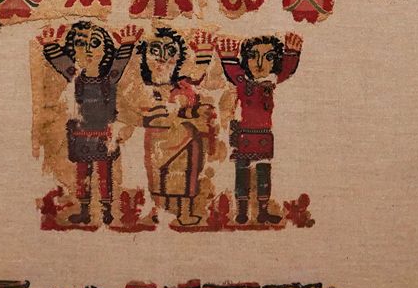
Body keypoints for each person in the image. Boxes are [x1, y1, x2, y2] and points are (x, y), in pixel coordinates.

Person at [41, 21, 133, 225]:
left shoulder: (109, 80)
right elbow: (62, 64)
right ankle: (84, 211)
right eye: (82, 43)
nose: (88, 49)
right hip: (81, 133)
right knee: (82, 173)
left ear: (106, 50)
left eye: (95, 43)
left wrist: (127, 45)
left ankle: (106, 210)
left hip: (104, 134)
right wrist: (50, 46)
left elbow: (118, 65)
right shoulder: (76, 78)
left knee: (104, 173)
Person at [218, 32, 303, 224]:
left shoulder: (270, 83)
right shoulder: (243, 84)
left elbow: (285, 72)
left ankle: (262, 211)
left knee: (263, 172)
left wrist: (292, 54)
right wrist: (228, 58)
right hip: (244, 135)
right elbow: (235, 74)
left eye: (269, 57)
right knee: (242, 173)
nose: (259, 63)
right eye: (252, 56)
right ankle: (242, 211)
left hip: (263, 136)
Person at [135, 27, 217, 226]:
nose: (163, 58)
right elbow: (144, 113)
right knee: (157, 179)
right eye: (155, 51)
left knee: (185, 177)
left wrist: (204, 53)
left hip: (185, 139)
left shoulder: (181, 87)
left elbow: (196, 78)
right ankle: (157, 211)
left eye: (170, 52)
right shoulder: (143, 89)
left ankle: (185, 214)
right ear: (144, 57)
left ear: (178, 59)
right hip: (158, 141)